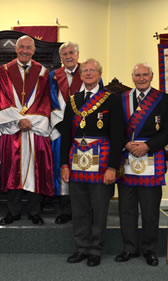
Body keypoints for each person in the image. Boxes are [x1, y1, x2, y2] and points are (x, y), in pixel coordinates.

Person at [60, 59, 124, 266]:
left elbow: (117, 135)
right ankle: (81, 247)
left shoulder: (111, 100)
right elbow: (67, 136)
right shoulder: (73, 100)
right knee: (79, 209)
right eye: (85, 70)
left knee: (99, 209)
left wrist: (113, 167)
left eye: (92, 70)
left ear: (99, 73)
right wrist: (64, 164)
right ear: (80, 75)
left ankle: (95, 249)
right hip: (77, 163)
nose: (88, 73)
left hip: (102, 163)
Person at [115, 63, 168, 266]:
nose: (141, 78)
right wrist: (126, 143)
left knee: (150, 210)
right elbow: (116, 128)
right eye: (137, 75)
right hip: (126, 158)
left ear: (152, 76)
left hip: (152, 157)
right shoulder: (121, 99)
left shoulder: (165, 100)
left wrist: (148, 146)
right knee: (126, 208)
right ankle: (129, 248)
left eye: (145, 75)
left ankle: (149, 249)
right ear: (132, 77)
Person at [0, 35, 54, 226]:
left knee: (35, 170)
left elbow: (46, 100)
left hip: (35, 130)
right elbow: (2, 98)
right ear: (16, 48)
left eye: (28, 48)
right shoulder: (4, 71)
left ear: (34, 50)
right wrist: (18, 120)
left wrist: (30, 121)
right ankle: (12, 211)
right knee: (12, 170)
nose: (25, 51)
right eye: (21, 47)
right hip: (13, 129)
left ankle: (34, 211)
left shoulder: (43, 72)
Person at [49, 42, 82, 224]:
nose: (68, 56)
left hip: (84, 131)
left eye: (71, 53)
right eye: (65, 54)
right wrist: (62, 125)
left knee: (82, 166)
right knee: (61, 167)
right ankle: (65, 210)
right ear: (61, 57)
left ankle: (81, 208)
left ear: (78, 54)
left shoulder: (88, 72)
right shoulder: (54, 76)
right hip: (61, 130)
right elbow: (51, 101)